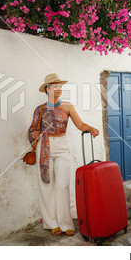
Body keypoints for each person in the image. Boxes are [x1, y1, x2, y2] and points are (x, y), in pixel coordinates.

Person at [28, 73, 99, 236]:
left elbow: (80, 124)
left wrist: (91, 128)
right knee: (46, 186)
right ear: (47, 89)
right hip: (44, 147)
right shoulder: (39, 109)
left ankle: (66, 224)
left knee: (62, 185)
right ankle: (52, 223)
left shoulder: (68, 106)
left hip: (62, 145)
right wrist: (34, 134)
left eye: (60, 86)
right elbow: (32, 129)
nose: (59, 89)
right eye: (55, 86)